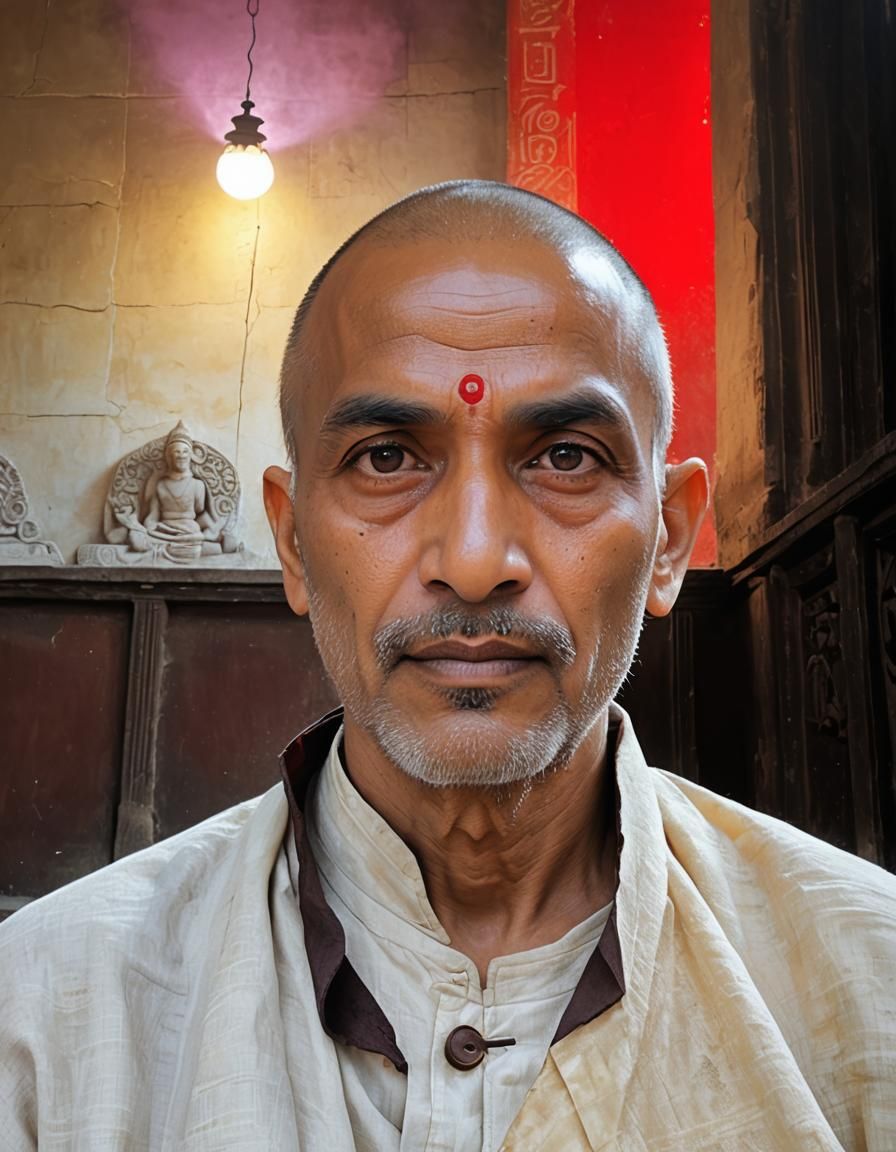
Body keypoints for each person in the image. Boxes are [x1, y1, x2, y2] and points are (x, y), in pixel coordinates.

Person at [1, 181, 894, 1151]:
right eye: (386, 458)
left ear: (669, 542)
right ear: (292, 542)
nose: (472, 562)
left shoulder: (867, 988)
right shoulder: (44, 1017)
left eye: (564, 458)